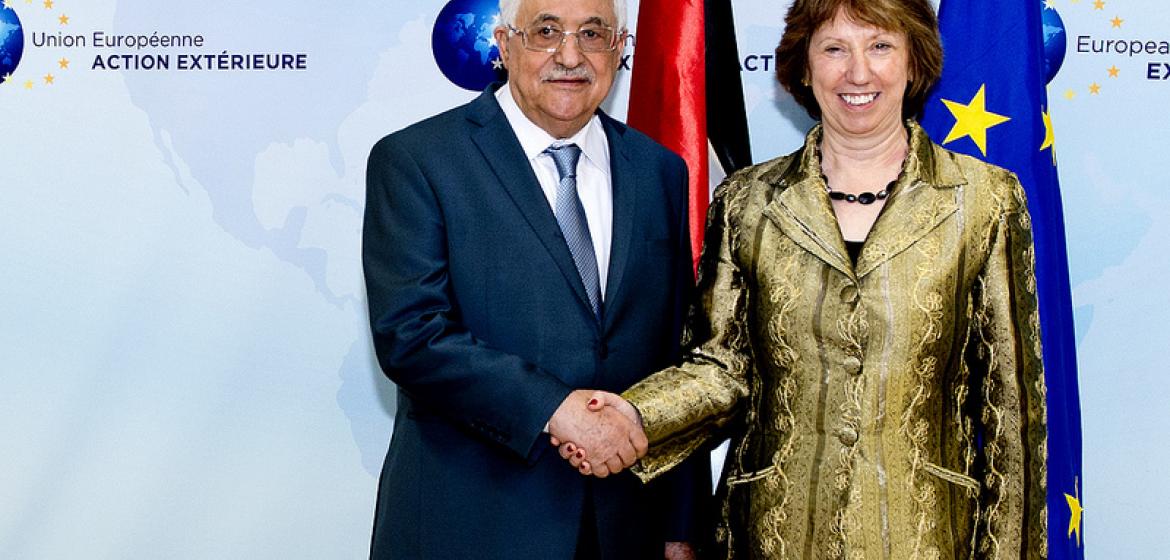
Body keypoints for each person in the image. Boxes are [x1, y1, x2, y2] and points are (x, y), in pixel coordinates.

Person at [560, 0, 1048, 557]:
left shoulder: (984, 200)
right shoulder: (748, 201)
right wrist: (632, 415)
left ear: (914, 63)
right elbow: (722, 368)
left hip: (929, 538)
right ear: (804, 68)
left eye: (881, 46)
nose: (858, 72)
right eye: (834, 49)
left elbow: (1012, 414)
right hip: (770, 536)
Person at [361, 0, 708, 557]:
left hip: (624, 528)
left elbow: (676, 349)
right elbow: (413, 335)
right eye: (546, 31)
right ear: (503, 43)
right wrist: (556, 408)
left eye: (592, 34)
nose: (569, 56)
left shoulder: (659, 169)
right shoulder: (417, 160)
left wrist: (681, 524)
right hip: (471, 526)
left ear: (620, 49)